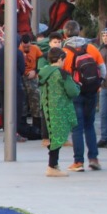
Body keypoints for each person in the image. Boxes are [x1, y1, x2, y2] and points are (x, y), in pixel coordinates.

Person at [60, 20, 105, 172]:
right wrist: (98, 84)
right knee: (89, 126)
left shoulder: (63, 52)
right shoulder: (91, 48)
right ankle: (94, 159)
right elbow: (103, 69)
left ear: (65, 34)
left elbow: (60, 75)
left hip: (74, 94)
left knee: (77, 128)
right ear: (79, 32)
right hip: (91, 91)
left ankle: (78, 162)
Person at [38, 46, 79, 176]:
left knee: (53, 135)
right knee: (58, 137)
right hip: (60, 108)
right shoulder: (62, 73)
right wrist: (78, 86)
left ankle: (54, 165)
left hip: (47, 107)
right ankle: (52, 166)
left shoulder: (43, 71)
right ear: (60, 59)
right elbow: (73, 92)